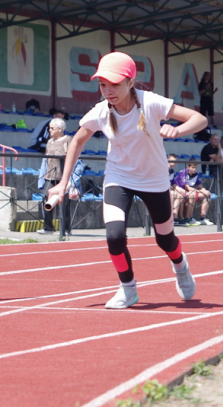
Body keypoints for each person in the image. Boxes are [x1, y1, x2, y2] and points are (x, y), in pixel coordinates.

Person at [47, 52, 204, 309]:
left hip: (154, 180)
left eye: (115, 84)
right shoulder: (100, 111)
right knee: (115, 236)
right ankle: (128, 288)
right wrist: (63, 183)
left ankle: (180, 265)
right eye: (102, 85)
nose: (108, 90)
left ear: (131, 82)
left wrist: (178, 129)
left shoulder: (151, 102)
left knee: (165, 240)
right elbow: (77, 141)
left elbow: (200, 119)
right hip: (119, 177)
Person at [37, 117, 71, 234]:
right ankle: (48, 226)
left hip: (63, 176)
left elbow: (72, 158)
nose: (49, 130)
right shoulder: (49, 142)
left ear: (60, 129)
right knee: (46, 199)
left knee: (64, 203)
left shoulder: (67, 140)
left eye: (52, 128)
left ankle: (66, 228)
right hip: (50, 176)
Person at [174, 159, 212, 226]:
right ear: (188, 167)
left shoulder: (196, 174)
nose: (194, 169)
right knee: (193, 195)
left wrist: (205, 191)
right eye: (193, 167)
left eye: (196, 168)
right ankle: (188, 218)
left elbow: (200, 186)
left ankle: (202, 218)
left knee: (208, 195)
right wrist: (201, 191)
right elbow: (188, 188)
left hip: (190, 192)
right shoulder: (184, 173)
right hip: (181, 192)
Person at [168, 154, 186, 227]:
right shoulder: (163, 169)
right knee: (173, 194)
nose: (174, 162)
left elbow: (174, 185)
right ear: (167, 160)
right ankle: (170, 217)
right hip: (162, 189)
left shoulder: (172, 171)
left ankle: (175, 217)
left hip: (170, 189)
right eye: (172, 160)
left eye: (175, 161)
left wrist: (183, 191)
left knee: (180, 194)